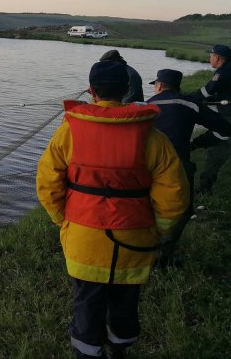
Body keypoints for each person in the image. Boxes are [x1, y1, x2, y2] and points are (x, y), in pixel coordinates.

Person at [37, 61, 188, 359]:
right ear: (127, 90)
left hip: (83, 242)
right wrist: (158, 231)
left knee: (86, 307)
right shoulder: (154, 138)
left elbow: (47, 184)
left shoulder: (68, 132)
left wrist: (63, 222)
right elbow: (175, 195)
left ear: (92, 91)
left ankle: (87, 352)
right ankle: (119, 350)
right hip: (136, 243)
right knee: (125, 305)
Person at [147, 69, 231, 263]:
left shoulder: (147, 105)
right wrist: (197, 144)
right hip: (179, 164)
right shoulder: (191, 104)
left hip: (149, 165)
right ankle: (164, 256)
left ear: (159, 86)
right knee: (183, 211)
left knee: (146, 206)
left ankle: (144, 248)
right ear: (178, 87)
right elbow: (225, 130)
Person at [187, 44, 231, 193]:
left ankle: (193, 146)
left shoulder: (222, 73)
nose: (209, 58)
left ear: (218, 58)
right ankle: (194, 145)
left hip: (228, 118)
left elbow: (206, 91)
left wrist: (184, 97)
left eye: (211, 55)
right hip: (226, 115)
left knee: (218, 148)